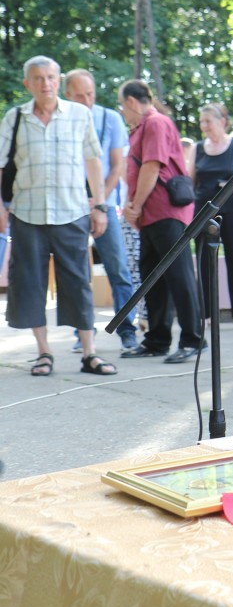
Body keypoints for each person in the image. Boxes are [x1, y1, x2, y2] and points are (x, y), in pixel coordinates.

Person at [0, 56, 113, 376]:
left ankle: (89, 353)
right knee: (29, 283)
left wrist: (100, 206)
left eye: (50, 77)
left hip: (72, 211)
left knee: (78, 283)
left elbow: (93, 161)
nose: (45, 84)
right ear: (27, 83)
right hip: (26, 213)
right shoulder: (15, 117)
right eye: (38, 78)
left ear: (59, 81)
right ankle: (43, 352)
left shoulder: (79, 114)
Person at [118, 80, 205, 363]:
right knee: (153, 277)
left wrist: (136, 205)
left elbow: (152, 166)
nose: (123, 112)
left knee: (179, 275)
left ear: (132, 102)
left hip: (165, 210)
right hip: (150, 215)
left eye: (122, 106)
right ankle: (157, 340)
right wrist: (134, 207)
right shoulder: (142, 127)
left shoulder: (156, 123)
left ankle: (193, 339)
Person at [63, 68, 140, 351]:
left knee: (118, 268)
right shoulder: (60, 120)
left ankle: (127, 329)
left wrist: (98, 201)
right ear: (67, 95)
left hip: (105, 204)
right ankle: (82, 331)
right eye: (79, 96)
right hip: (70, 206)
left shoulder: (110, 118)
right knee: (76, 273)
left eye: (90, 94)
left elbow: (117, 165)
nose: (86, 101)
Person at [186, 103, 233, 331]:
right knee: (205, 262)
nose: (204, 126)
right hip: (203, 212)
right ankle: (205, 313)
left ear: (222, 122)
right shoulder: (197, 148)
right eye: (201, 121)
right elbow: (190, 181)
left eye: (208, 121)